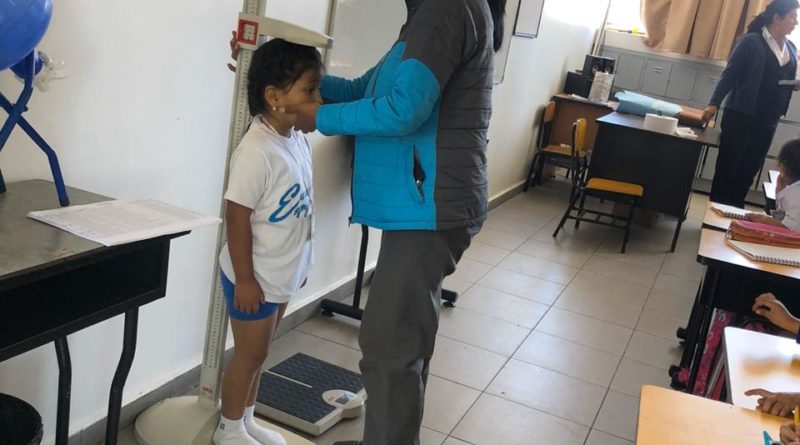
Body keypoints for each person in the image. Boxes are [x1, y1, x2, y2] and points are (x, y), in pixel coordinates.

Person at [278, 1, 505, 444]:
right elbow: (366, 89)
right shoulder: (428, 13)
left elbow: (403, 110)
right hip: (426, 207)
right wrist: (291, 79)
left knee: (389, 349)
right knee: (405, 344)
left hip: (430, 210)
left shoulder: (445, 8)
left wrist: (318, 116)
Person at [214, 39, 322, 445]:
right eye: (309, 91)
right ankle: (228, 431)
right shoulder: (256, 151)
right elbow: (237, 217)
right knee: (249, 357)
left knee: (261, 354)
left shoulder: (295, 139)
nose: (318, 100)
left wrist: (299, 268)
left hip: (280, 274)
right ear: (274, 97)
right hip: (254, 278)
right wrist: (245, 280)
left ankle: (246, 419)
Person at [701, 0, 800, 208]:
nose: (796, 22)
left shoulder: (790, 48)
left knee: (750, 168)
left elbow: (783, 78)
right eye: (792, 17)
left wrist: (794, 84)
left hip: (769, 118)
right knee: (729, 166)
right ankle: (715, 211)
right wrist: (714, 103)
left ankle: (735, 210)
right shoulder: (751, 41)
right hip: (741, 115)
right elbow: (729, 74)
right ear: (777, 18)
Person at [745, 138, 800, 230]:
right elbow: (783, 216)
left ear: (783, 167)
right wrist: (780, 191)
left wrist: (763, 219)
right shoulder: (793, 191)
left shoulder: (795, 195)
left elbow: (789, 227)